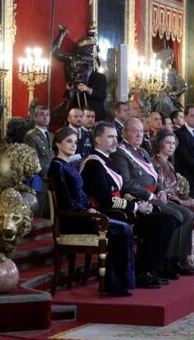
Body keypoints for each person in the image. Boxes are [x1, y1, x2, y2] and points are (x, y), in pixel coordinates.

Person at [79, 122, 179, 289]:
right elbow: (106, 200)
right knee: (163, 223)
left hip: (119, 211)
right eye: (109, 137)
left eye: (115, 137)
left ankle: (147, 270)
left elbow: (119, 192)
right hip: (105, 216)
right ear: (97, 140)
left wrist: (138, 203)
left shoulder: (107, 162)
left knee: (167, 220)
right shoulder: (94, 163)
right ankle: (143, 273)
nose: (114, 141)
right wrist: (134, 207)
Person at [47, 127, 135, 296]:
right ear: (58, 143)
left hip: (85, 215)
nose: (73, 145)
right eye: (68, 141)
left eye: (75, 142)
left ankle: (121, 283)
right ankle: (114, 285)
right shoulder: (57, 166)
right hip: (73, 220)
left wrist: (90, 208)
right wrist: (87, 211)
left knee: (124, 227)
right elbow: (66, 200)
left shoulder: (68, 165)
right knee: (120, 228)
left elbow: (81, 194)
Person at [111, 117, 194, 276]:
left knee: (188, 214)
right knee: (177, 215)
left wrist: (162, 190)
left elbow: (155, 177)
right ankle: (163, 262)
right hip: (139, 198)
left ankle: (175, 259)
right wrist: (150, 194)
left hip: (155, 195)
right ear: (124, 132)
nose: (139, 135)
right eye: (134, 131)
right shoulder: (120, 152)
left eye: (141, 131)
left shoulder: (143, 151)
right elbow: (127, 183)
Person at [152, 129, 194, 266]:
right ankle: (177, 259)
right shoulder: (155, 163)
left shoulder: (169, 163)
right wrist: (183, 201)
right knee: (190, 214)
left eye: (173, 143)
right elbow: (161, 188)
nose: (172, 146)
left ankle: (191, 258)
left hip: (175, 199)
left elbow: (176, 189)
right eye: (168, 143)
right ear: (160, 144)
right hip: (164, 201)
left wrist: (187, 198)